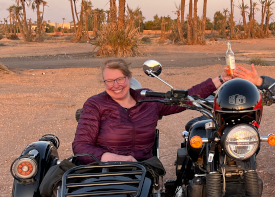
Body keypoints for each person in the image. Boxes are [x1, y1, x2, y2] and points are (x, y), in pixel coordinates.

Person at [72, 58, 232, 165]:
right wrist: (116, 159)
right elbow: (80, 146)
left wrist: (220, 79)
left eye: (120, 79)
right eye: (109, 81)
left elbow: (185, 98)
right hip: (102, 168)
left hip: (143, 168)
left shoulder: (147, 99)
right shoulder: (95, 104)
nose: (116, 85)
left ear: (128, 78)